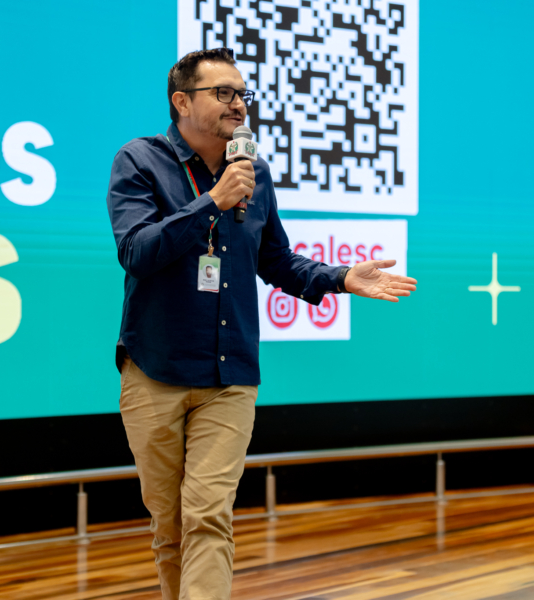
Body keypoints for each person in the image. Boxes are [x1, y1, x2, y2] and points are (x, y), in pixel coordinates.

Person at [106, 48, 417, 600]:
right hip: (155, 372)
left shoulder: (255, 173)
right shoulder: (140, 160)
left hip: (230, 377)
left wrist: (341, 277)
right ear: (182, 102)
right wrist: (211, 202)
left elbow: (276, 262)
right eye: (222, 93)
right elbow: (136, 251)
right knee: (170, 527)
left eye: (242, 93)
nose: (238, 104)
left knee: (208, 515)